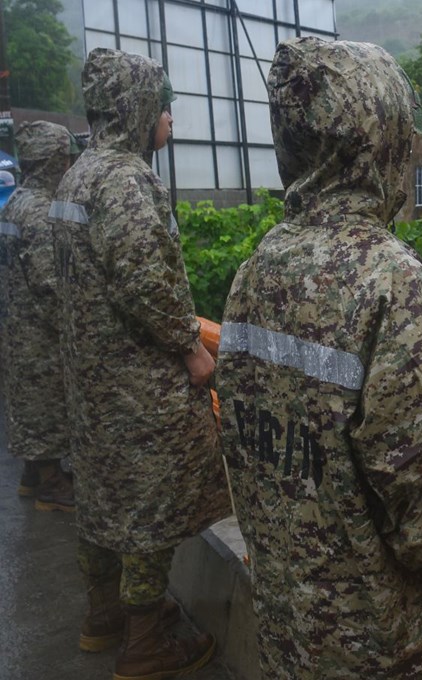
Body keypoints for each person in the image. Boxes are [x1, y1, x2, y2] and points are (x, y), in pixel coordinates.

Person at [216, 37, 422, 679]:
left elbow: (243, 433)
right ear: (384, 141)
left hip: (290, 625)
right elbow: (420, 470)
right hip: (382, 640)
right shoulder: (390, 281)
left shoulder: (254, 270)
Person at [50, 47, 231, 678]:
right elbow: (145, 280)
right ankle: (145, 640)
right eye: (165, 108)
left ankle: (101, 617)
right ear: (136, 110)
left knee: (101, 498)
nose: (171, 120)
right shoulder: (126, 180)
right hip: (136, 387)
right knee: (149, 507)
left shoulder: (75, 176)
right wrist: (191, 345)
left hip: (92, 384)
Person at [0, 121, 76, 511]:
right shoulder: (42, 213)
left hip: (15, 325)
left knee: (27, 399)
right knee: (45, 400)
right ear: (51, 162)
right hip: (38, 332)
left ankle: (33, 474)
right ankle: (50, 482)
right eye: (64, 159)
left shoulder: (14, 202)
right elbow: (51, 283)